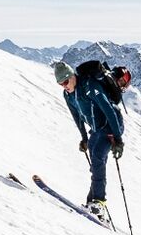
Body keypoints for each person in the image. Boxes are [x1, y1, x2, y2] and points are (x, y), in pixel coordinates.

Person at [54, 58, 126, 225]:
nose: (64, 86)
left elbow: (109, 110)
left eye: (66, 81)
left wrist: (118, 139)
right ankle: (93, 205)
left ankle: (99, 203)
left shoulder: (89, 86)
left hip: (111, 125)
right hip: (96, 129)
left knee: (98, 156)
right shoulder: (68, 95)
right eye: (60, 84)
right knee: (95, 164)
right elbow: (77, 117)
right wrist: (84, 138)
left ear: (72, 76)